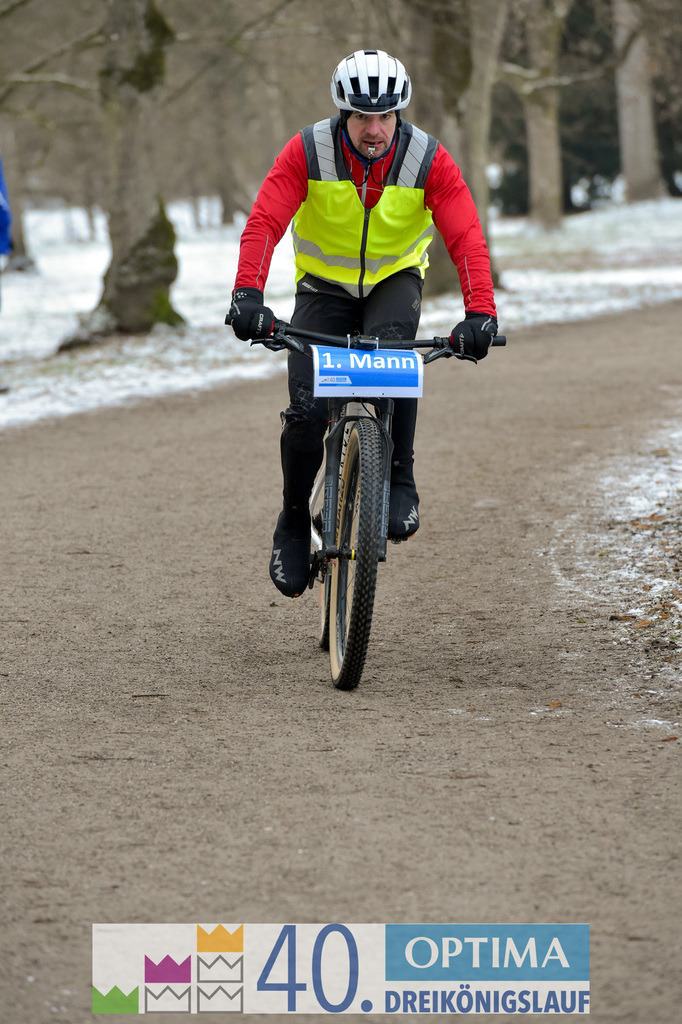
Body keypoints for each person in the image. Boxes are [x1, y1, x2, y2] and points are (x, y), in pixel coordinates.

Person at [228, 49, 498, 598]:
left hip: (394, 280)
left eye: (385, 116)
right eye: (361, 117)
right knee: (305, 412)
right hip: (322, 288)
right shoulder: (307, 151)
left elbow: (465, 236)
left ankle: (400, 475)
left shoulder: (428, 160)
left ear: (399, 114)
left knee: (394, 360)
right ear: (342, 114)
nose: (373, 130)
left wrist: (480, 311)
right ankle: (290, 519)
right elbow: (264, 222)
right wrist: (248, 294)